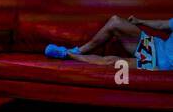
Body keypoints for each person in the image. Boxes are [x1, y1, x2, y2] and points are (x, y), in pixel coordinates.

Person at [45, 15, 173, 71]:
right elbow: (163, 24)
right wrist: (140, 21)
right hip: (154, 46)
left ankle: (67, 55)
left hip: (159, 65)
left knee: (113, 62)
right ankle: (78, 50)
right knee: (115, 21)